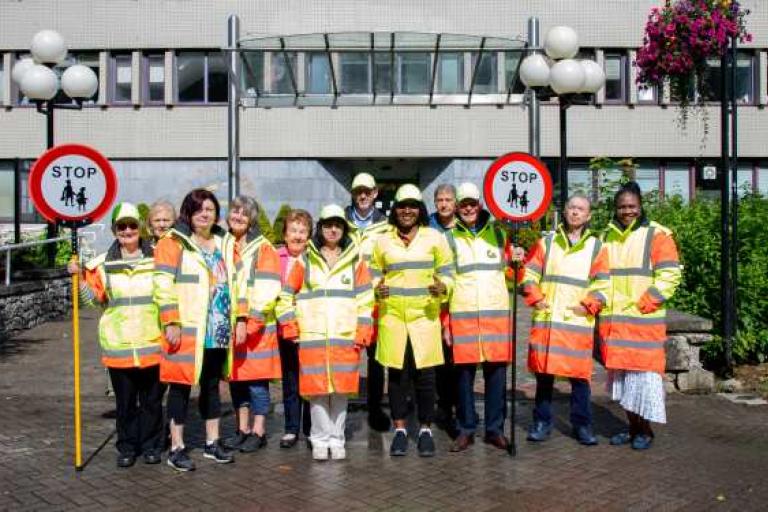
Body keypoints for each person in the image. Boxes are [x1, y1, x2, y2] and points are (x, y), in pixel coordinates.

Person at [583, 181, 681, 450]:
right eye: (622, 206)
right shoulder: (606, 238)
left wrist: (647, 301)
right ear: (615, 209)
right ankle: (632, 427)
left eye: (632, 206)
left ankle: (645, 431)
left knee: (644, 383)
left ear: (640, 207)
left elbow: (670, 275)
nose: (627, 211)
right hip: (615, 325)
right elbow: (598, 278)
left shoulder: (657, 235)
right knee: (625, 384)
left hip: (642, 325)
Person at [154, 188, 246, 471]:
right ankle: (177, 446)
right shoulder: (173, 242)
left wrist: (241, 318)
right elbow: (162, 283)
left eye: (210, 208)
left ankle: (212, 443)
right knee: (180, 387)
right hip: (187, 329)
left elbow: (239, 283)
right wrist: (171, 321)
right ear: (188, 213)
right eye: (199, 209)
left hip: (218, 328)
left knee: (211, 387)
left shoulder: (225, 243)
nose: (205, 213)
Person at [67, 202, 165, 468]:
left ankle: (151, 445)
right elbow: (90, 301)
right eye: (121, 226)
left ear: (140, 228)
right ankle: (127, 447)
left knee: (152, 402)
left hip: (152, 343)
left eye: (132, 225)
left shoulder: (158, 259)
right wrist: (78, 280)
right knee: (125, 404)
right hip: (119, 346)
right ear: (114, 230)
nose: (128, 230)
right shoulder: (101, 265)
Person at [281, 204, 374, 460]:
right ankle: (320, 440)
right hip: (313, 339)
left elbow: (367, 300)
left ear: (343, 229)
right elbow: (285, 297)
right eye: (328, 225)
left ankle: (337, 439)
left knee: (341, 393)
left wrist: (363, 331)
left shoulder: (356, 262)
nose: (333, 229)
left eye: (338, 225)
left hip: (345, 338)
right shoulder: (304, 261)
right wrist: (291, 328)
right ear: (320, 229)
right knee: (317, 392)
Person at [370, 184, 454, 457]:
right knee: (396, 378)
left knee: (426, 379)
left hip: (424, 319)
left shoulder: (434, 238)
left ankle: (426, 430)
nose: (407, 211)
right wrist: (375, 287)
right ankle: (401, 431)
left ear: (420, 210)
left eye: (412, 206)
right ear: (395, 210)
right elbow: (372, 272)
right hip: (393, 319)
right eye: (402, 206)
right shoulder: (383, 240)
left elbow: (448, 272)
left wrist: (445, 288)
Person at [520, 193, 609, 446]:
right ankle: (541, 423)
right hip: (548, 321)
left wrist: (589, 305)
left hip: (576, 324)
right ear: (565, 211)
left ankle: (582, 425)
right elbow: (529, 274)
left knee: (580, 380)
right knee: (544, 378)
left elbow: (603, 285)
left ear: (588, 215)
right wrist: (535, 298)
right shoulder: (547, 243)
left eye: (581, 209)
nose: (575, 212)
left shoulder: (596, 247)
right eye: (572, 207)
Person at [443, 183, 516, 452]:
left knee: (496, 378)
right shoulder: (449, 239)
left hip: (495, 319)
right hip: (463, 319)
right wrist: (445, 323)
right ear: (457, 207)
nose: (469, 208)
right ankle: (466, 429)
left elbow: (512, 271)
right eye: (464, 204)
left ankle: (494, 430)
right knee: (463, 380)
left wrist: (517, 262)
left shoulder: (498, 234)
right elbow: (445, 280)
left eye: (472, 203)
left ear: (480, 205)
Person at [224, 196, 281, 453]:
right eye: (234, 212)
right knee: (236, 381)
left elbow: (268, 289)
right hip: (231, 328)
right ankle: (242, 429)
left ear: (251, 221)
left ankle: (259, 431)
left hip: (255, 330)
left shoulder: (263, 248)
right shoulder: (224, 245)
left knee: (257, 384)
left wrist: (251, 323)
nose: (238, 217)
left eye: (244, 214)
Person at [345, 172, 391, 432]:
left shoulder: (386, 227)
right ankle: (338, 412)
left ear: (375, 193)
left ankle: (375, 410)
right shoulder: (339, 223)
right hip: (346, 303)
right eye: (358, 191)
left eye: (367, 191)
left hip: (375, 303)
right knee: (346, 358)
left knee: (376, 362)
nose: (363, 195)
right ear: (353, 194)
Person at [276, 209, 313, 448]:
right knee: (290, 382)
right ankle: (291, 429)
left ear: (309, 235)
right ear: (285, 234)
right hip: (284, 329)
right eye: (293, 230)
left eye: (302, 231)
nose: (297, 236)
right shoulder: (274, 257)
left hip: (310, 330)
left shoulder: (315, 258)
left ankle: (311, 429)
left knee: (309, 381)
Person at [427, 184, 459, 434]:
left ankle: (460, 406)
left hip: (461, 300)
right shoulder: (427, 227)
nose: (444, 204)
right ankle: (443, 406)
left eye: (449, 199)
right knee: (439, 358)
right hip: (434, 301)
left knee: (459, 358)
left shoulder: (464, 229)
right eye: (440, 199)